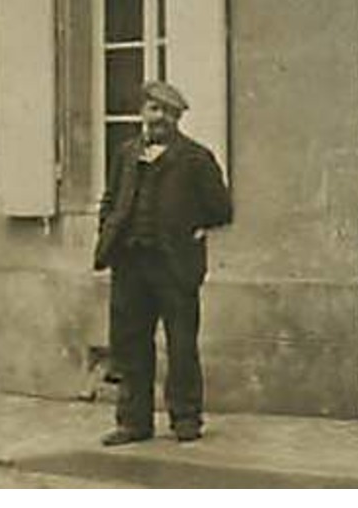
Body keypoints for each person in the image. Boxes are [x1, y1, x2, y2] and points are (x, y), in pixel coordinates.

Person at [93, 80, 232, 446]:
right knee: (131, 345)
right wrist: (107, 231)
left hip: (175, 267)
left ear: (178, 119)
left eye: (169, 113)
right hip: (130, 265)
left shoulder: (195, 158)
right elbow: (110, 199)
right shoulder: (125, 153)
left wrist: (194, 230)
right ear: (143, 112)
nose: (160, 119)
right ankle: (133, 423)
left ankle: (186, 420)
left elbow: (221, 209)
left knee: (181, 345)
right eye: (154, 110)